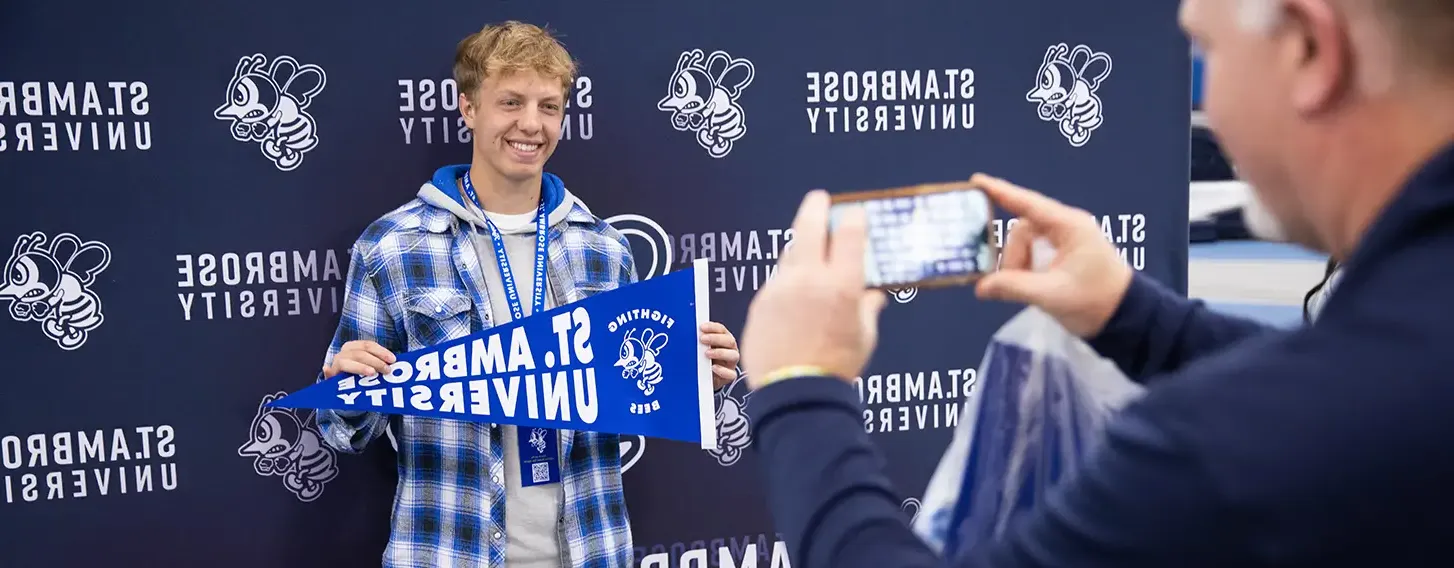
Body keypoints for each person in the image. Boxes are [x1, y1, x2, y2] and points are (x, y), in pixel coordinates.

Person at [739, 0, 1454, 566]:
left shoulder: (1220, 453)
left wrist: (801, 384)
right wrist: (1133, 317)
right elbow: (1346, 402)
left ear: (1307, 48)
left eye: (1206, 48)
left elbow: (1314, 421)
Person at [315, 21, 741, 568]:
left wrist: (691, 380)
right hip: (448, 552)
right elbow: (342, 432)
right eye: (510, 102)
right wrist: (346, 386)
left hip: (587, 550)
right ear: (468, 109)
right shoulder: (394, 246)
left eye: (549, 106)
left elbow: (633, 396)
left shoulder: (604, 250)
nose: (531, 125)